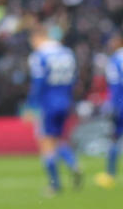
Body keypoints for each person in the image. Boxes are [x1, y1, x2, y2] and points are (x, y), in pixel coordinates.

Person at [25, 20, 82, 196]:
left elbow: (39, 82)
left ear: (38, 37)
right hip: (65, 100)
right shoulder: (67, 52)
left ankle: (55, 185)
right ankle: (72, 163)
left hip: (47, 102)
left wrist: (31, 104)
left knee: (46, 142)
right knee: (56, 138)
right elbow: (74, 78)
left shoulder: (39, 55)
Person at [95, 32, 123, 189]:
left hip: (120, 104)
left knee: (114, 138)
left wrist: (111, 105)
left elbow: (115, 85)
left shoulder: (115, 61)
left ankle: (110, 175)